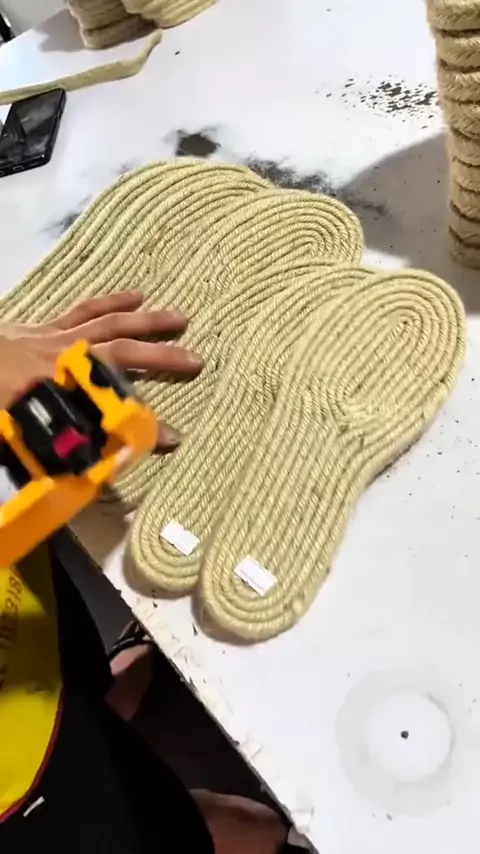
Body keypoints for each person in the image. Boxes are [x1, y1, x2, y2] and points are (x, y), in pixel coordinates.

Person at [0, 292, 295, 854]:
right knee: (159, 827)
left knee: (72, 672)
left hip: (23, 628)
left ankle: (102, 720)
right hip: (20, 797)